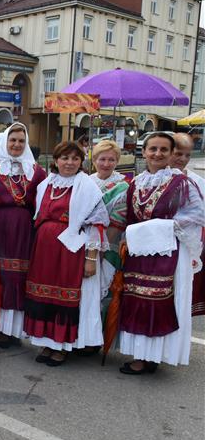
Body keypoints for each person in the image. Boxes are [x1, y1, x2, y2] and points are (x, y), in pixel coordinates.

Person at [117, 133, 204, 374]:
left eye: (164, 150)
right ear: (143, 152)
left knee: (156, 301)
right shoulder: (136, 182)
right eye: (152, 149)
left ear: (170, 154)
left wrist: (161, 227)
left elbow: (197, 214)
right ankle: (141, 354)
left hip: (166, 251)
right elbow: (130, 217)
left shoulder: (181, 183)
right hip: (139, 253)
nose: (157, 154)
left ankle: (153, 356)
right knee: (136, 299)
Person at [23, 141, 108, 367]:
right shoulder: (46, 184)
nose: (69, 163)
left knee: (65, 295)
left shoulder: (87, 187)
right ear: (56, 160)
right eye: (65, 158)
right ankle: (47, 341)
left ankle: (61, 345)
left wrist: (91, 259)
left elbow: (96, 225)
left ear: (81, 162)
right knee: (44, 294)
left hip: (72, 250)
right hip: (44, 249)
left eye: (75, 159)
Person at [0, 123, 47, 348]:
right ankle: (0, 329)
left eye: (21, 141)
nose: (17, 144)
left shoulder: (37, 171)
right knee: (0, 278)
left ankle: (15, 329)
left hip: (25, 231)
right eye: (13, 140)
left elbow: (43, 201)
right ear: (5, 143)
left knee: (20, 278)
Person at [89, 140, 129, 342]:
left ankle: (97, 339)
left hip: (109, 246)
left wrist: (102, 249)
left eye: (111, 159)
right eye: (102, 159)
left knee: (102, 291)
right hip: (86, 245)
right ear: (94, 160)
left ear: (117, 161)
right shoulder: (87, 181)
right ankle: (84, 335)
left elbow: (118, 222)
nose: (106, 163)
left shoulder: (123, 186)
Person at [170, 133, 204, 316]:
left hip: (186, 248)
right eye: (178, 153)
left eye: (187, 155)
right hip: (159, 248)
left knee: (181, 299)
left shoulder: (198, 183)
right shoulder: (154, 178)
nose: (183, 159)